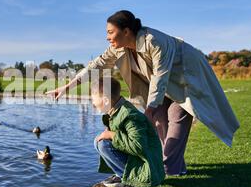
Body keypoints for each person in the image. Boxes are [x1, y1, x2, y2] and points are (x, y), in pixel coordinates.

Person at [47, 10, 240, 176]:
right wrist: (66, 87)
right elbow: (95, 65)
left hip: (185, 76)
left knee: (176, 113)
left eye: (110, 32)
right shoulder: (118, 48)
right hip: (162, 81)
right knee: (160, 119)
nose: (107, 37)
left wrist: (150, 108)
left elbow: (160, 76)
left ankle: (167, 168)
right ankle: (175, 165)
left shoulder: (153, 41)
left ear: (126, 31)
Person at [91, 77, 164, 187]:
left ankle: (140, 184)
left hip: (148, 164)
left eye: (94, 99)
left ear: (105, 100)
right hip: (138, 158)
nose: (93, 103)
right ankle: (123, 175)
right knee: (98, 141)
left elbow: (138, 146)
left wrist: (112, 135)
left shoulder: (130, 115)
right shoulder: (116, 110)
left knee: (104, 144)